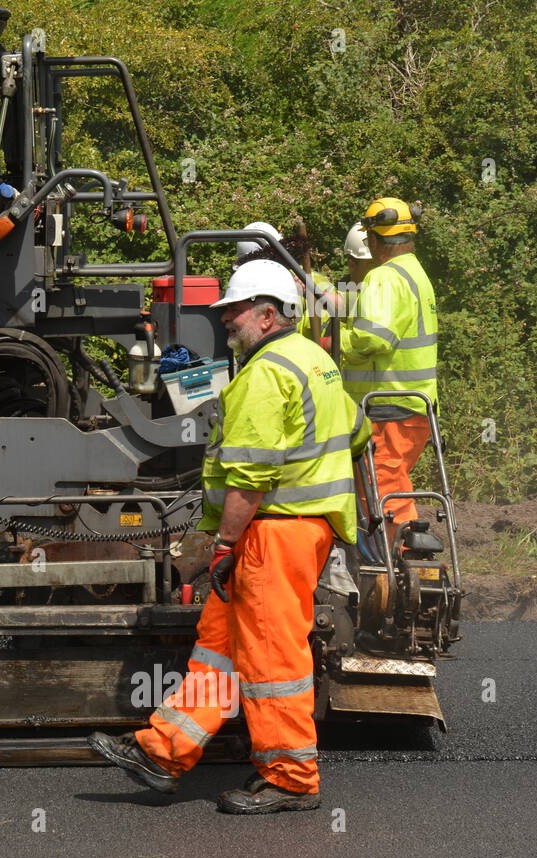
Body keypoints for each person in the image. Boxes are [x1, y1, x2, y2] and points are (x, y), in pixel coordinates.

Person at [89, 259, 370, 814]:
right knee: (220, 648)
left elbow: (250, 475)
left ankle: (291, 776)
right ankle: (164, 751)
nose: (226, 322)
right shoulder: (315, 360)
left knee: (272, 657)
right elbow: (358, 430)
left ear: (268, 314)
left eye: (235, 311)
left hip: (273, 532)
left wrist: (222, 545)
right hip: (286, 529)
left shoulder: (268, 374)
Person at [339, 197, 437, 537]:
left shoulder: (384, 277)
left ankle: (410, 562)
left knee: (385, 484)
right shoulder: (415, 272)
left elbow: (374, 339)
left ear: (376, 239)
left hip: (390, 405)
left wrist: (339, 342)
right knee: (382, 483)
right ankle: (388, 562)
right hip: (413, 404)